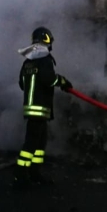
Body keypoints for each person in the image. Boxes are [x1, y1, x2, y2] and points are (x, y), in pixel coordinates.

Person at [12, 27, 73, 190]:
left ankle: (34, 173)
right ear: (47, 40)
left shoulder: (28, 61)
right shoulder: (44, 59)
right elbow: (49, 79)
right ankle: (21, 176)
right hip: (39, 109)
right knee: (31, 145)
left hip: (31, 109)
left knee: (39, 144)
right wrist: (63, 82)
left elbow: (21, 84)